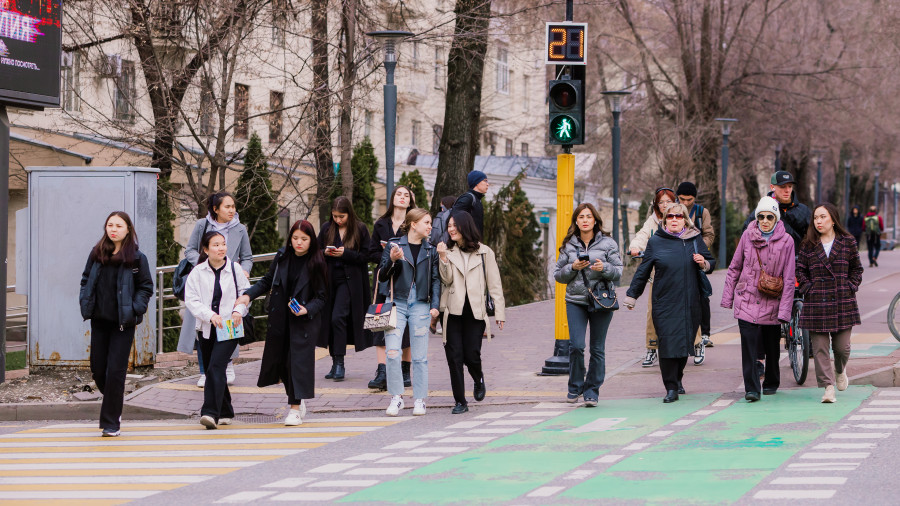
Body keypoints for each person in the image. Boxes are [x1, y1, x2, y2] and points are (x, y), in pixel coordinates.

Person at [235, 220, 328, 425]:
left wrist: (306, 309)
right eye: (295, 238)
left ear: (311, 240)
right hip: (280, 318)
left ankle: (294, 409)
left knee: (295, 363)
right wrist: (248, 296)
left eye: (304, 239)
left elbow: (322, 297)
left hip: (303, 321)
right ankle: (297, 399)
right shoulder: (283, 256)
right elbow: (267, 280)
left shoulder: (317, 262)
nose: (298, 243)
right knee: (282, 364)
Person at [624, 203, 716, 403]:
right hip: (664, 302)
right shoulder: (656, 241)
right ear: (665, 220)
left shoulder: (694, 239)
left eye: (679, 216)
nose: (674, 219)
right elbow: (643, 271)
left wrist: (703, 263)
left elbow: (711, 263)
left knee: (684, 343)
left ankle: (678, 378)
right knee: (666, 343)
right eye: (670, 216)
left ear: (685, 220)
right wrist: (632, 296)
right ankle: (671, 387)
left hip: (689, 302)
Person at [79, 212, 154, 437]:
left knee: (115, 372)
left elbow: (146, 287)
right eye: (110, 225)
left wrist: (135, 308)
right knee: (98, 370)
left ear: (128, 229)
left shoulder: (137, 258)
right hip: (99, 320)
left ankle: (111, 423)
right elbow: (85, 279)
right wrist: (85, 300)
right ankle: (115, 400)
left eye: (119, 226)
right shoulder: (97, 253)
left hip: (123, 323)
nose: (113, 229)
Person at [721, 197, 796, 402]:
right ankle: (752, 388)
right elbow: (734, 267)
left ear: (776, 218)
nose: (764, 221)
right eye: (761, 216)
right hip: (746, 298)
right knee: (748, 345)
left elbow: (789, 278)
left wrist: (785, 311)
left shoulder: (787, 241)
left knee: (772, 345)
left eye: (769, 217)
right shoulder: (747, 236)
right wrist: (728, 298)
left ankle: (771, 381)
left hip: (772, 299)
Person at [178, 191, 253, 388]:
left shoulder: (240, 229)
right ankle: (204, 371)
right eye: (227, 206)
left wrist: (244, 270)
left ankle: (227, 365)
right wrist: (204, 263)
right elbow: (190, 250)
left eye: (233, 206)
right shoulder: (202, 225)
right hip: (205, 280)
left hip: (228, 279)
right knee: (204, 327)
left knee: (228, 321)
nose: (231, 210)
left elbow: (247, 257)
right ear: (215, 209)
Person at [553, 203, 623, 407]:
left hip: (601, 300)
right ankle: (575, 387)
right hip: (575, 301)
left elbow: (618, 271)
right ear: (576, 221)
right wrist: (573, 267)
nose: (585, 220)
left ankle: (592, 391)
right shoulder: (569, 245)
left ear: (595, 220)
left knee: (597, 348)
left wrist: (604, 268)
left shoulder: (608, 243)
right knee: (576, 346)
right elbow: (558, 275)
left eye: (588, 216)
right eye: (581, 217)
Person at [437, 212, 506, 414]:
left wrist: (499, 312)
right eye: (449, 226)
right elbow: (446, 280)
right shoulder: (447, 251)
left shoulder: (485, 253)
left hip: (475, 312)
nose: (451, 229)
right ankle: (460, 401)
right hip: (452, 311)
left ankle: (478, 378)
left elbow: (495, 284)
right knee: (454, 357)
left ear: (465, 226)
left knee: (472, 355)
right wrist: (443, 258)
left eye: (454, 225)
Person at [796, 203, 863, 403]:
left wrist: (850, 286)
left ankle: (840, 370)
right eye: (816, 217)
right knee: (820, 349)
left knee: (842, 348)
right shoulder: (808, 244)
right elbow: (800, 270)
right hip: (817, 302)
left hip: (842, 301)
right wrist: (808, 288)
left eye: (823, 217)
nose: (818, 221)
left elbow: (857, 269)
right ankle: (828, 387)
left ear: (833, 220)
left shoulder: (848, 242)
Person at [377, 208, 441, 416]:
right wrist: (392, 260)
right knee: (392, 352)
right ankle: (397, 397)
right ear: (413, 224)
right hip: (396, 303)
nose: (430, 226)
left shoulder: (430, 250)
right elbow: (382, 276)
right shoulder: (394, 245)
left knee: (420, 356)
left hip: (421, 304)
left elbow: (435, 280)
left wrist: (435, 305)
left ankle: (420, 399)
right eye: (426, 222)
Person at [184, 231, 251, 429]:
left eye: (223, 244)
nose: (221, 248)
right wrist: (209, 315)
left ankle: (209, 412)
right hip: (207, 328)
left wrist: (238, 310)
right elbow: (191, 300)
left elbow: (246, 294)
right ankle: (226, 410)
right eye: (216, 245)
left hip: (229, 326)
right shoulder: (198, 272)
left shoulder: (235, 269)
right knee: (215, 369)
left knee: (215, 366)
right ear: (205, 250)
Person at [317, 197, 374, 381]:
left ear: (349, 213)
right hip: (329, 282)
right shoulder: (327, 228)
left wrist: (346, 253)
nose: (338, 220)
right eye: (335, 216)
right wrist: (325, 252)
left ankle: (340, 363)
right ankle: (335, 363)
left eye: (341, 216)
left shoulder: (360, 228)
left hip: (350, 283)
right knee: (330, 320)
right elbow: (315, 252)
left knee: (337, 317)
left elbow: (366, 256)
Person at [367, 185, 416, 390]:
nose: (402, 198)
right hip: (384, 279)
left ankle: (405, 371)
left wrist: (401, 255)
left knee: (406, 326)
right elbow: (370, 253)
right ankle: (382, 371)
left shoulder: (413, 223)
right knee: (380, 321)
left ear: (410, 201)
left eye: (406, 195)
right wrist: (387, 254)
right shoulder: (381, 223)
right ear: (392, 198)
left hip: (406, 279)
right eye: (398, 194)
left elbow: (418, 249)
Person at [628, 187, 676, 368]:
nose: (665, 205)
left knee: (686, 309)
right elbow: (642, 235)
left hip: (679, 274)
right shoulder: (653, 221)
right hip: (658, 275)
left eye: (668, 201)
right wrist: (635, 247)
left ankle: (695, 343)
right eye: (661, 202)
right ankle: (651, 347)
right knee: (652, 311)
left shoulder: (680, 218)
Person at [677, 182, 715, 365]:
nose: (685, 203)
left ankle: (705, 333)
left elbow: (709, 233)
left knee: (702, 295)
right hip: (677, 258)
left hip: (697, 257)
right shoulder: (674, 211)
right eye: (682, 199)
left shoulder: (701, 212)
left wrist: (699, 248)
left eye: (689, 200)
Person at [743, 170, 811, 251]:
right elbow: (746, 238)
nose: (787, 190)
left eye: (790, 186)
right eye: (783, 187)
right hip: (769, 257)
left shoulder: (804, 210)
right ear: (772, 187)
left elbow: (813, 236)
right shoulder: (761, 210)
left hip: (797, 257)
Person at [451, 170, 489, 235]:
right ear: (477, 182)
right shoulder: (468, 198)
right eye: (485, 181)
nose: (487, 184)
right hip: (468, 240)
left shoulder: (477, 199)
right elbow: (454, 218)